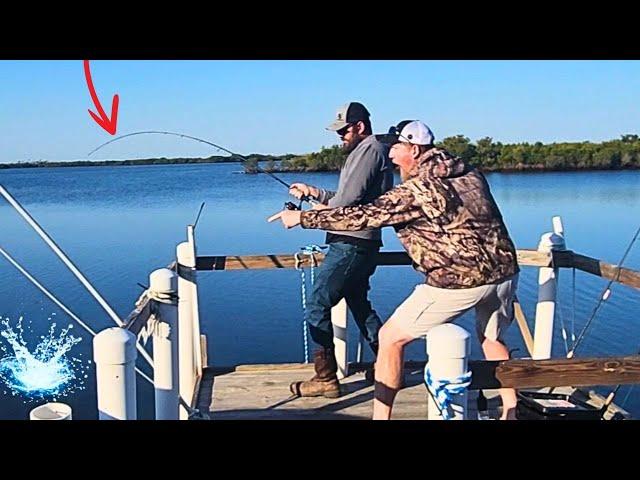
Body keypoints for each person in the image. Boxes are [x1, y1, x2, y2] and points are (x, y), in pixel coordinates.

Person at [269, 120, 520, 419]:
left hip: (458, 279)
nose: (389, 154)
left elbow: (364, 216)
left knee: (390, 338)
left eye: (396, 147)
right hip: (504, 271)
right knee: (492, 339)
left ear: (414, 149)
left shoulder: (416, 189)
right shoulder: (471, 174)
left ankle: (380, 417)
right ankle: (511, 411)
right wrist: (320, 197)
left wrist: (303, 219)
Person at [285, 101, 394, 398]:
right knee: (359, 304)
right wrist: (313, 192)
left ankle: (326, 378)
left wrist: (309, 215)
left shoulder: (369, 150)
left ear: (359, 126)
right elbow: (347, 197)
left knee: (317, 306)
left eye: (344, 130)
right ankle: (388, 362)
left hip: (351, 244)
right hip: (359, 243)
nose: (340, 136)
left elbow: (347, 202)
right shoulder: (364, 151)